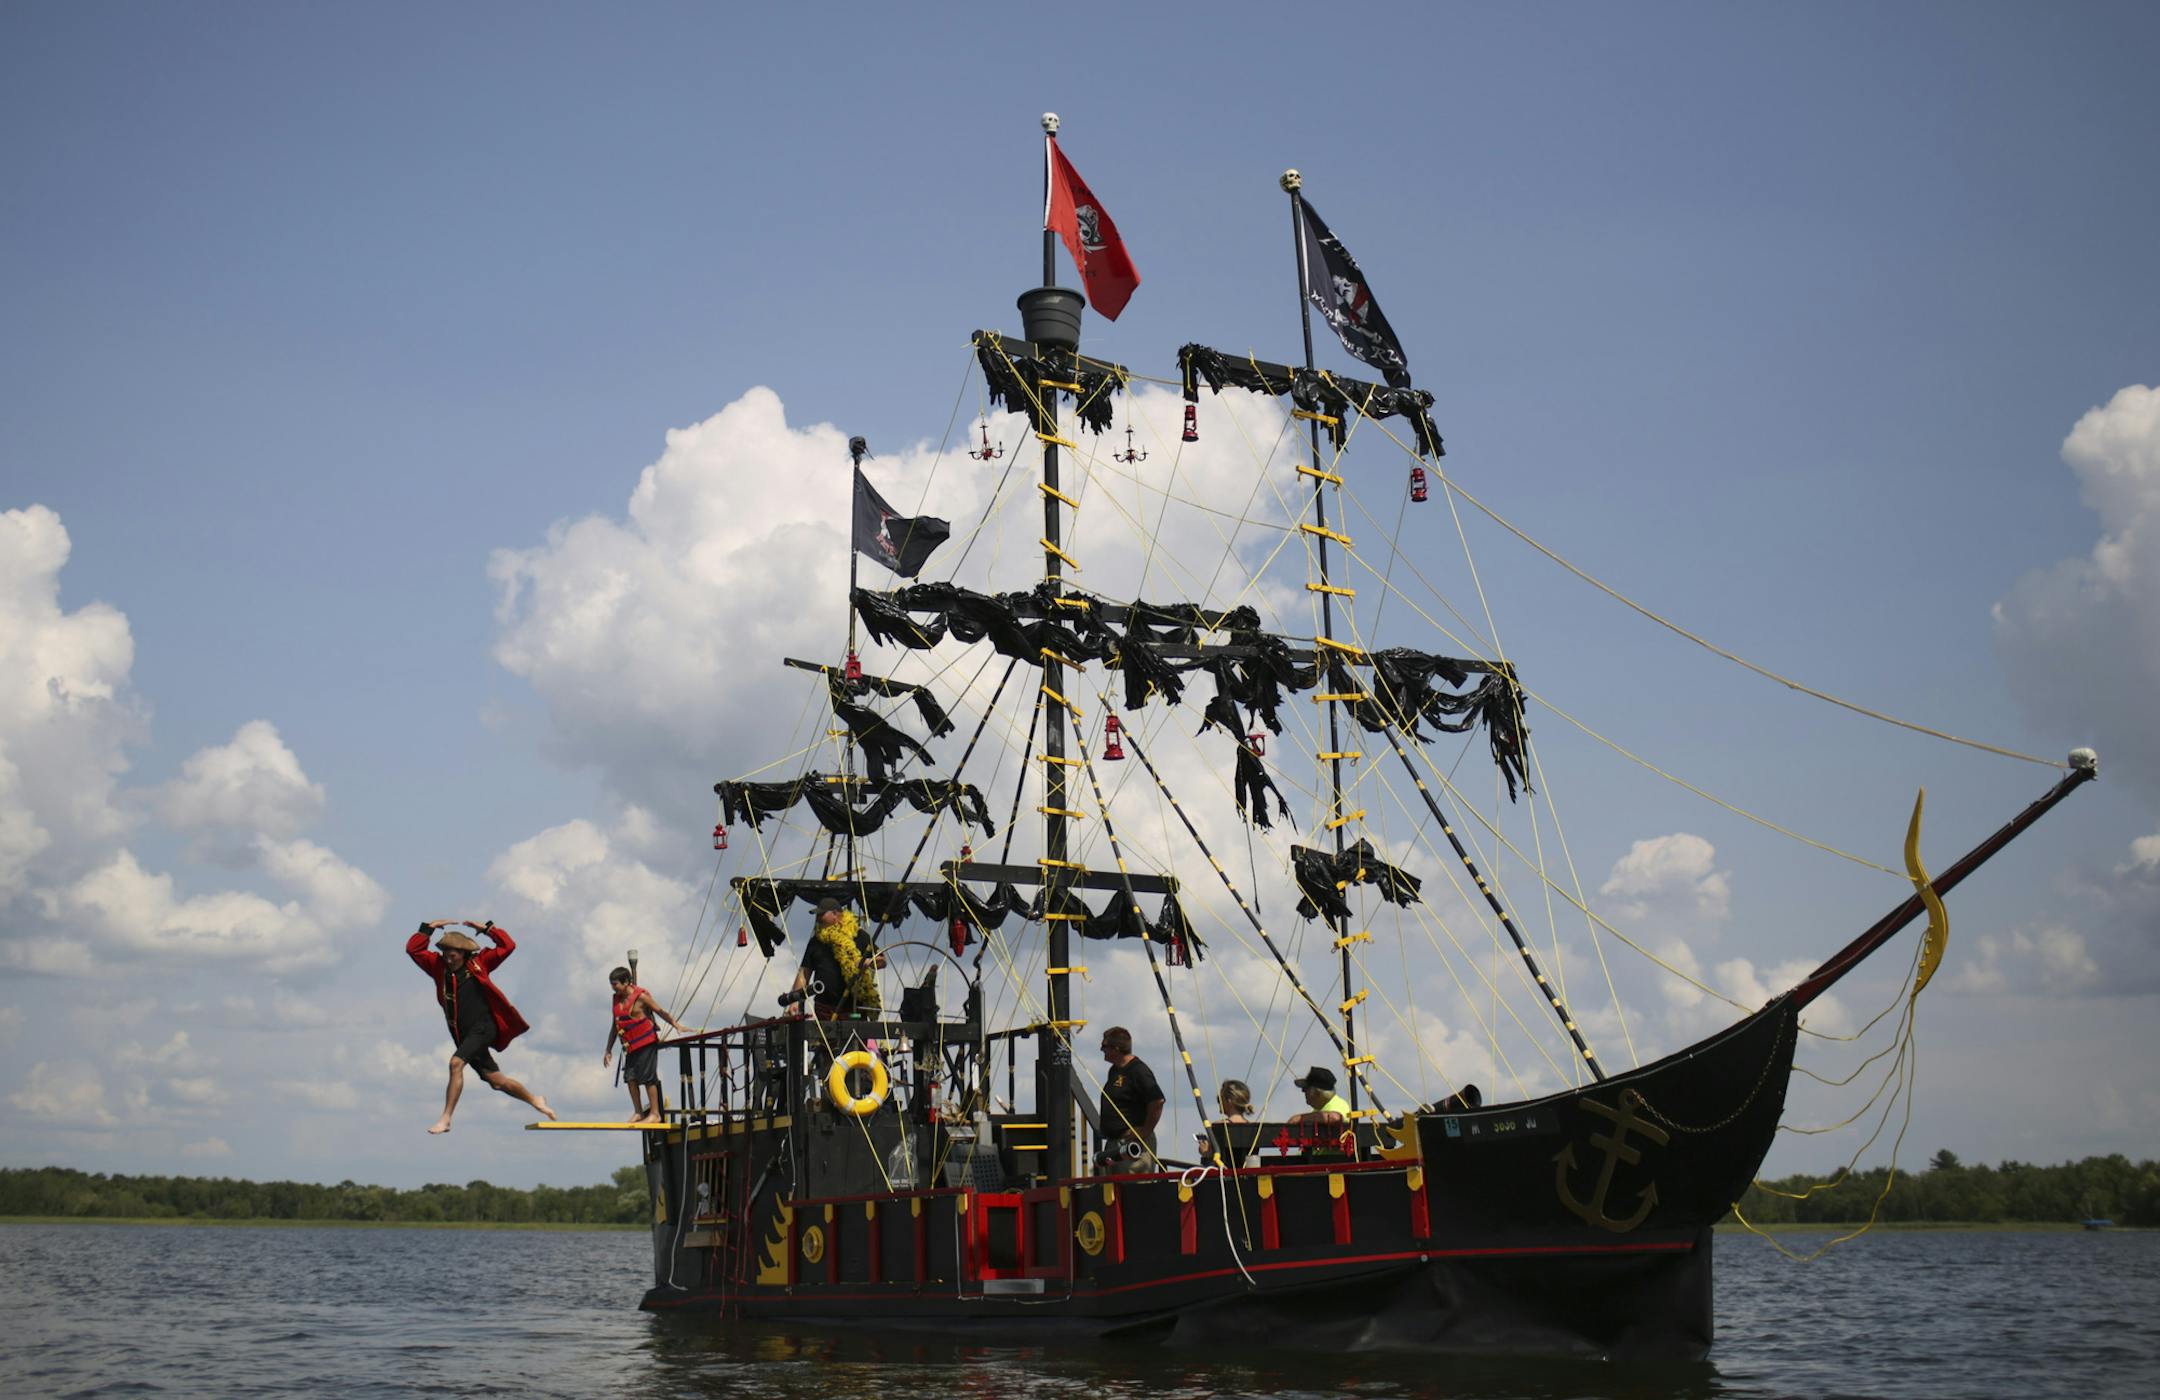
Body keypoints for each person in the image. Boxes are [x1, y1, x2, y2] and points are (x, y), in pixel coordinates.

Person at [405, 918, 553, 1134]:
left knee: (456, 1064)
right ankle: (535, 1099)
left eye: (453, 954)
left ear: (463, 953)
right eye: (446, 953)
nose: (448, 958)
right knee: (497, 1081)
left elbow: (507, 946)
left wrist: (487, 930)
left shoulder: (479, 963)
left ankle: (446, 1118)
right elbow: (413, 950)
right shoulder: (438, 967)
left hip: (484, 1026)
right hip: (463, 1034)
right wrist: (427, 930)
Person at [603, 967, 688, 1123]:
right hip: (631, 1046)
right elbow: (615, 1025)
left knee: (648, 1078)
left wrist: (676, 1024)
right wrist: (608, 1049)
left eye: (615, 984)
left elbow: (660, 1011)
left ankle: (655, 1114)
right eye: (611, 984)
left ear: (626, 982)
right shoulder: (616, 999)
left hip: (646, 1042)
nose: (613, 988)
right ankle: (638, 1112)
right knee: (630, 1078)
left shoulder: (641, 997)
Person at [782, 898, 883, 1019]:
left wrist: (869, 962)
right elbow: (804, 973)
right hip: (824, 1008)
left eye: (821, 914)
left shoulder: (859, 936)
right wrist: (794, 1000)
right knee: (823, 1038)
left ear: (835, 914)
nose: (818, 918)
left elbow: (882, 960)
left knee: (855, 1037)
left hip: (854, 1007)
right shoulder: (816, 941)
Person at [1096, 1026, 1164, 1168]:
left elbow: (1157, 1100)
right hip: (1115, 1145)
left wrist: (1145, 1131)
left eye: (1104, 1046)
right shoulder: (1115, 1070)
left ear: (1116, 1049)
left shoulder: (1138, 1070)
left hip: (1132, 1146)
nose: (1101, 1050)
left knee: (1134, 1188)